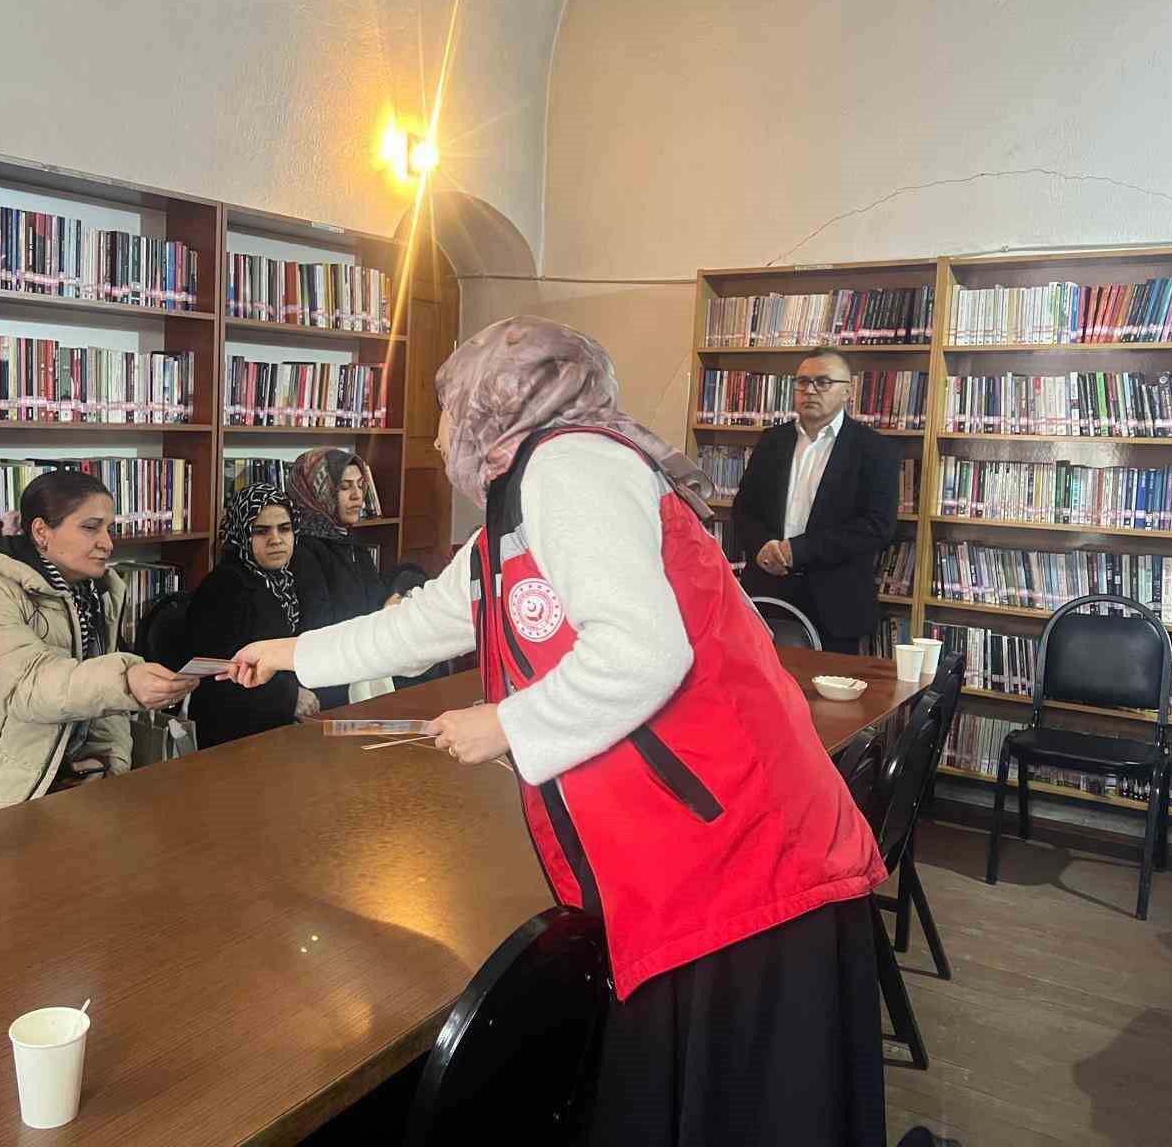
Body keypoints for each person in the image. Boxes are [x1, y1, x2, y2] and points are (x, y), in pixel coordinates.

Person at [230, 316, 888, 1145]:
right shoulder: (533, 486)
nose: (438, 434)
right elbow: (433, 619)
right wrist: (291, 653)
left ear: (500, 401)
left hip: (734, 848)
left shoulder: (568, 468)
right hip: (706, 840)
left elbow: (642, 654)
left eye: (448, 406)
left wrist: (503, 723)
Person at [0, 470, 198, 836]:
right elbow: (30, 685)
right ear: (41, 532)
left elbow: (100, 710)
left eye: (109, 528)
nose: (108, 544)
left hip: (52, 791)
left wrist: (108, 768)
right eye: (91, 528)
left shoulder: (91, 596)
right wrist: (125, 679)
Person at [731, 347, 899, 653]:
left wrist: (799, 550)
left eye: (822, 382)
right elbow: (743, 510)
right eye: (802, 382)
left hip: (835, 602)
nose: (810, 390)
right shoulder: (772, 441)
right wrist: (762, 545)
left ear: (848, 390)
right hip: (768, 592)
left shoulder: (874, 449)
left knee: (829, 699)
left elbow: (877, 526)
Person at [186, 485, 322, 749]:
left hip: (284, 725)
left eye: (284, 528)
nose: (276, 539)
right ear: (241, 535)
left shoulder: (293, 579)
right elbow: (213, 671)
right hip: (235, 733)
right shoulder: (223, 587)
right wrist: (289, 697)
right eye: (261, 531)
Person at [286, 446, 390, 625]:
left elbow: (377, 600)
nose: (358, 496)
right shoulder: (302, 550)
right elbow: (319, 625)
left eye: (360, 485)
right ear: (318, 492)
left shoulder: (349, 541)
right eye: (344, 487)